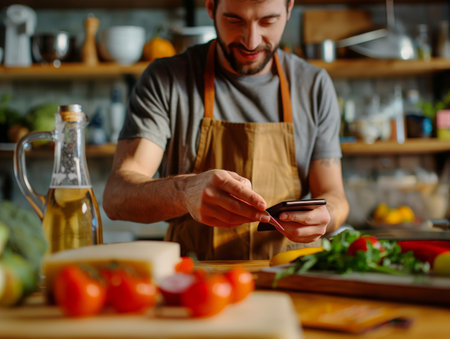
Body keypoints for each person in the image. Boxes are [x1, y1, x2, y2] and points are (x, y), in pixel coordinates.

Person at [103, 0, 349, 260]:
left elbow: (335, 196)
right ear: (211, 7)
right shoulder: (166, 80)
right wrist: (185, 192)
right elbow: (118, 197)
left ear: (289, 9)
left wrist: (327, 215)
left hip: (286, 276)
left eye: (268, 21)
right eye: (234, 20)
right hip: (196, 281)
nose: (251, 41)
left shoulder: (313, 85)